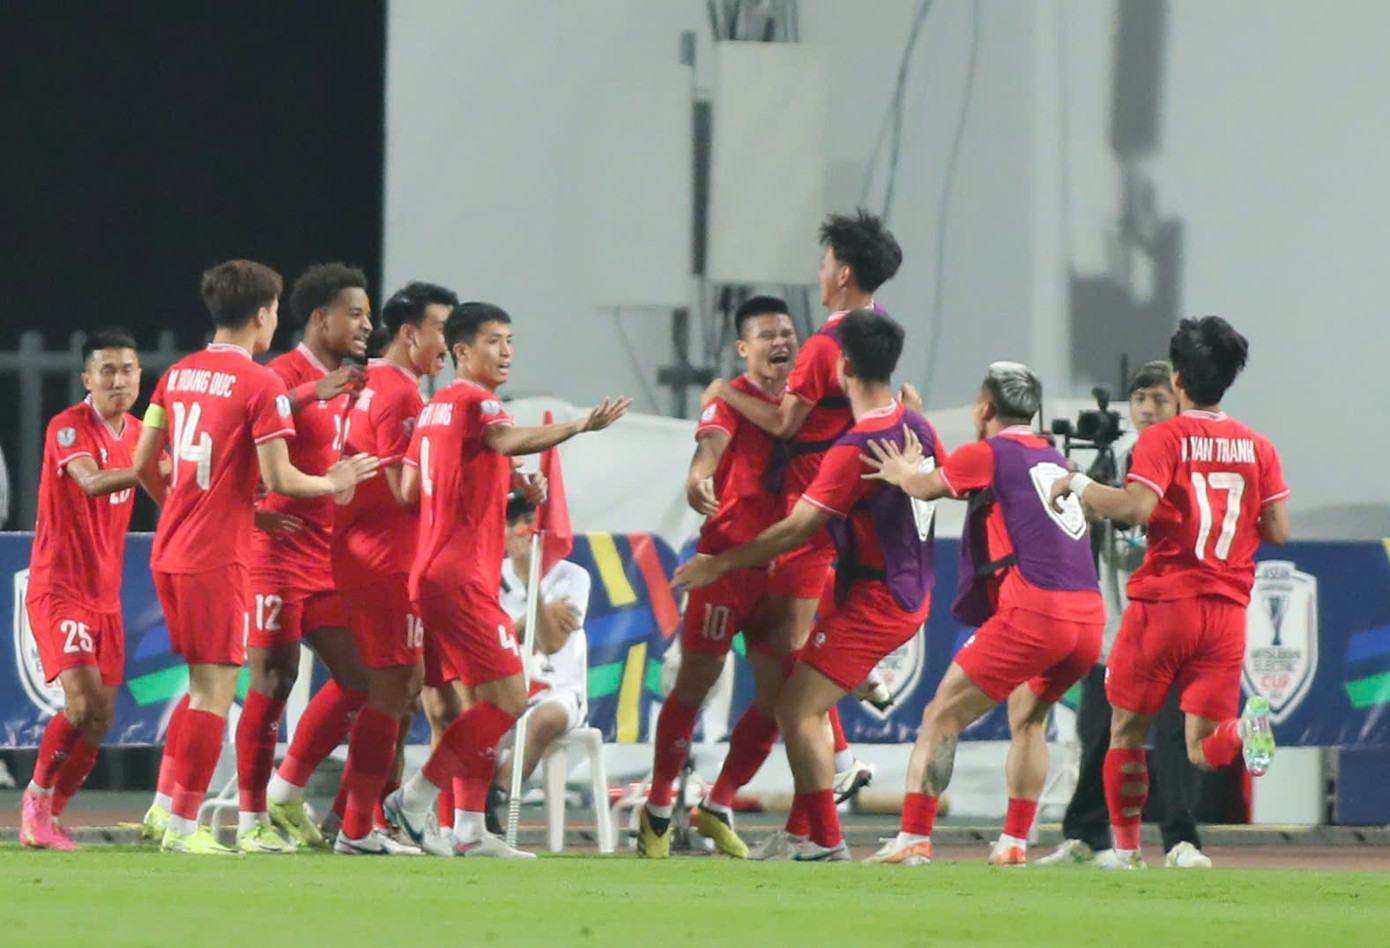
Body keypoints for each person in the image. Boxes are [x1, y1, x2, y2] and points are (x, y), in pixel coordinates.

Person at [674, 309, 943, 862]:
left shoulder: (856, 446)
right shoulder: (915, 423)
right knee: (801, 697)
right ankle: (807, 829)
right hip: (908, 588)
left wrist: (717, 566)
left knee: (795, 708)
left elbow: (797, 528)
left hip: (880, 598)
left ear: (841, 364)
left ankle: (823, 841)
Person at [132, 259, 378, 855]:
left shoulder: (177, 374)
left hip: (170, 549)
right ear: (265, 315)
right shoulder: (260, 381)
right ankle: (187, 830)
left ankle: (168, 814)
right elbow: (283, 478)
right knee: (213, 693)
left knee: (199, 688)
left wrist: (184, 507)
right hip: (218, 556)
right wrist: (335, 479)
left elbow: (144, 464)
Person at [383, 302, 629, 857]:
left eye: (510, 340)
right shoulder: (478, 399)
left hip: (430, 571)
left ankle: (469, 830)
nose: (506, 351)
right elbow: (502, 440)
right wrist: (579, 425)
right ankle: (415, 798)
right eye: (493, 341)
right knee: (510, 701)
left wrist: (503, 489)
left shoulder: (432, 409)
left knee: (473, 705)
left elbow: (408, 494)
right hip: (462, 578)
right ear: (462, 352)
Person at [1050, 315, 1288, 869]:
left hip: (1166, 603)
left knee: (1125, 730)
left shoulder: (1163, 438)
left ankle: (1127, 852)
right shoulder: (1258, 446)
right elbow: (1277, 529)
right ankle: (1244, 728)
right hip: (1227, 611)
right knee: (1204, 748)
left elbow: (1136, 508)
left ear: (1178, 380)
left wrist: (1082, 483)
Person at [700, 212, 911, 820]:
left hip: (810, 515)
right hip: (848, 518)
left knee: (791, 678)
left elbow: (784, 423)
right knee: (780, 675)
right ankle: (731, 804)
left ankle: (832, 785)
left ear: (842, 273)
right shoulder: (883, 329)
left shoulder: (828, 344)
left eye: (823, 264)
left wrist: (723, 390)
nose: (818, 274)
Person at [858, 361, 1106, 867]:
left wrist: (902, 470)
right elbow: (966, 475)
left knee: (941, 714)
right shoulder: (1049, 455)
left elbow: (927, 486)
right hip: (1089, 619)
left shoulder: (990, 453)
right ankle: (1014, 843)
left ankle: (912, 839)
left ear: (986, 406)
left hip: (1036, 610)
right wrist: (923, 440)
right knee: (1029, 717)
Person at [639, 296, 798, 859]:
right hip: (724, 565)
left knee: (783, 698)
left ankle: (719, 801)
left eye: (786, 332)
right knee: (697, 685)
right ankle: (659, 808)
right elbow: (710, 444)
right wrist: (698, 477)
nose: (780, 342)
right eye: (767, 335)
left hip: (784, 568)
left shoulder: (805, 404)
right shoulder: (730, 402)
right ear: (743, 348)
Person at [225, 263, 374, 854]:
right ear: (321, 318)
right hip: (275, 554)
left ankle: (286, 791)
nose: (366, 325)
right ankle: (249, 817)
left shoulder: (352, 379)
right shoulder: (279, 375)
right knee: (272, 681)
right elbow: (233, 434)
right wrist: (253, 509)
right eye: (355, 314)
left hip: (328, 556)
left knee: (362, 679)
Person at [1039, 362, 1211, 869]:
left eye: (1159, 399)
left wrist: (1098, 499)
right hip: (1117, 624)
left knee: (1177, 737)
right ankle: (1085, 836)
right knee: (1098, 734)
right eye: (1139, 399)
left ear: (1178, 403)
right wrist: (1084, 505)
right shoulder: (1110, 457)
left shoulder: (1188, 456)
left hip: (1175, 621)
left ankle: (1182, 841)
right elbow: (1082, 526)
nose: (1147, 410)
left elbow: (1145, 513)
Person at [20, 329, 165, 849]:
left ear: (138, 377)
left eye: (127, 370)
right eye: (107, 371)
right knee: (80, 706)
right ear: (87, 378)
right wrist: (150, 467)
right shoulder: (68, 427)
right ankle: (34, 803)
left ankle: (49, 815)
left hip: (106, 595)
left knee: (100, 718)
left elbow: (170, 492)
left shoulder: (137, 435)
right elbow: (90, 480)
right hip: (60, 587)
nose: (118, 380)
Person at [327, 280, 458, 855]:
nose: (448, 345)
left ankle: (367, 818)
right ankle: (356, 826)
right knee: (390, 689)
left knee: (402, 690)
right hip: (383, 558)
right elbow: (404, 490)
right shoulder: (399, 394)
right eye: (442, 332)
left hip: (378, 554)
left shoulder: (376, 385)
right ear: (411, 334)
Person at [487, 493, 592, 824]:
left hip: (559, 688)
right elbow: (492, 640)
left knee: (544, 718)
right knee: (472, 715)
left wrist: (532, 581)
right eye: (511, 522)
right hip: (505, 684)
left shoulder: (573, 576)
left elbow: (552, 641)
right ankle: (464, 807)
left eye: (529, 522)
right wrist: (540, 614)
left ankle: (494, 796)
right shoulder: (489, 573)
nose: (521, 532)